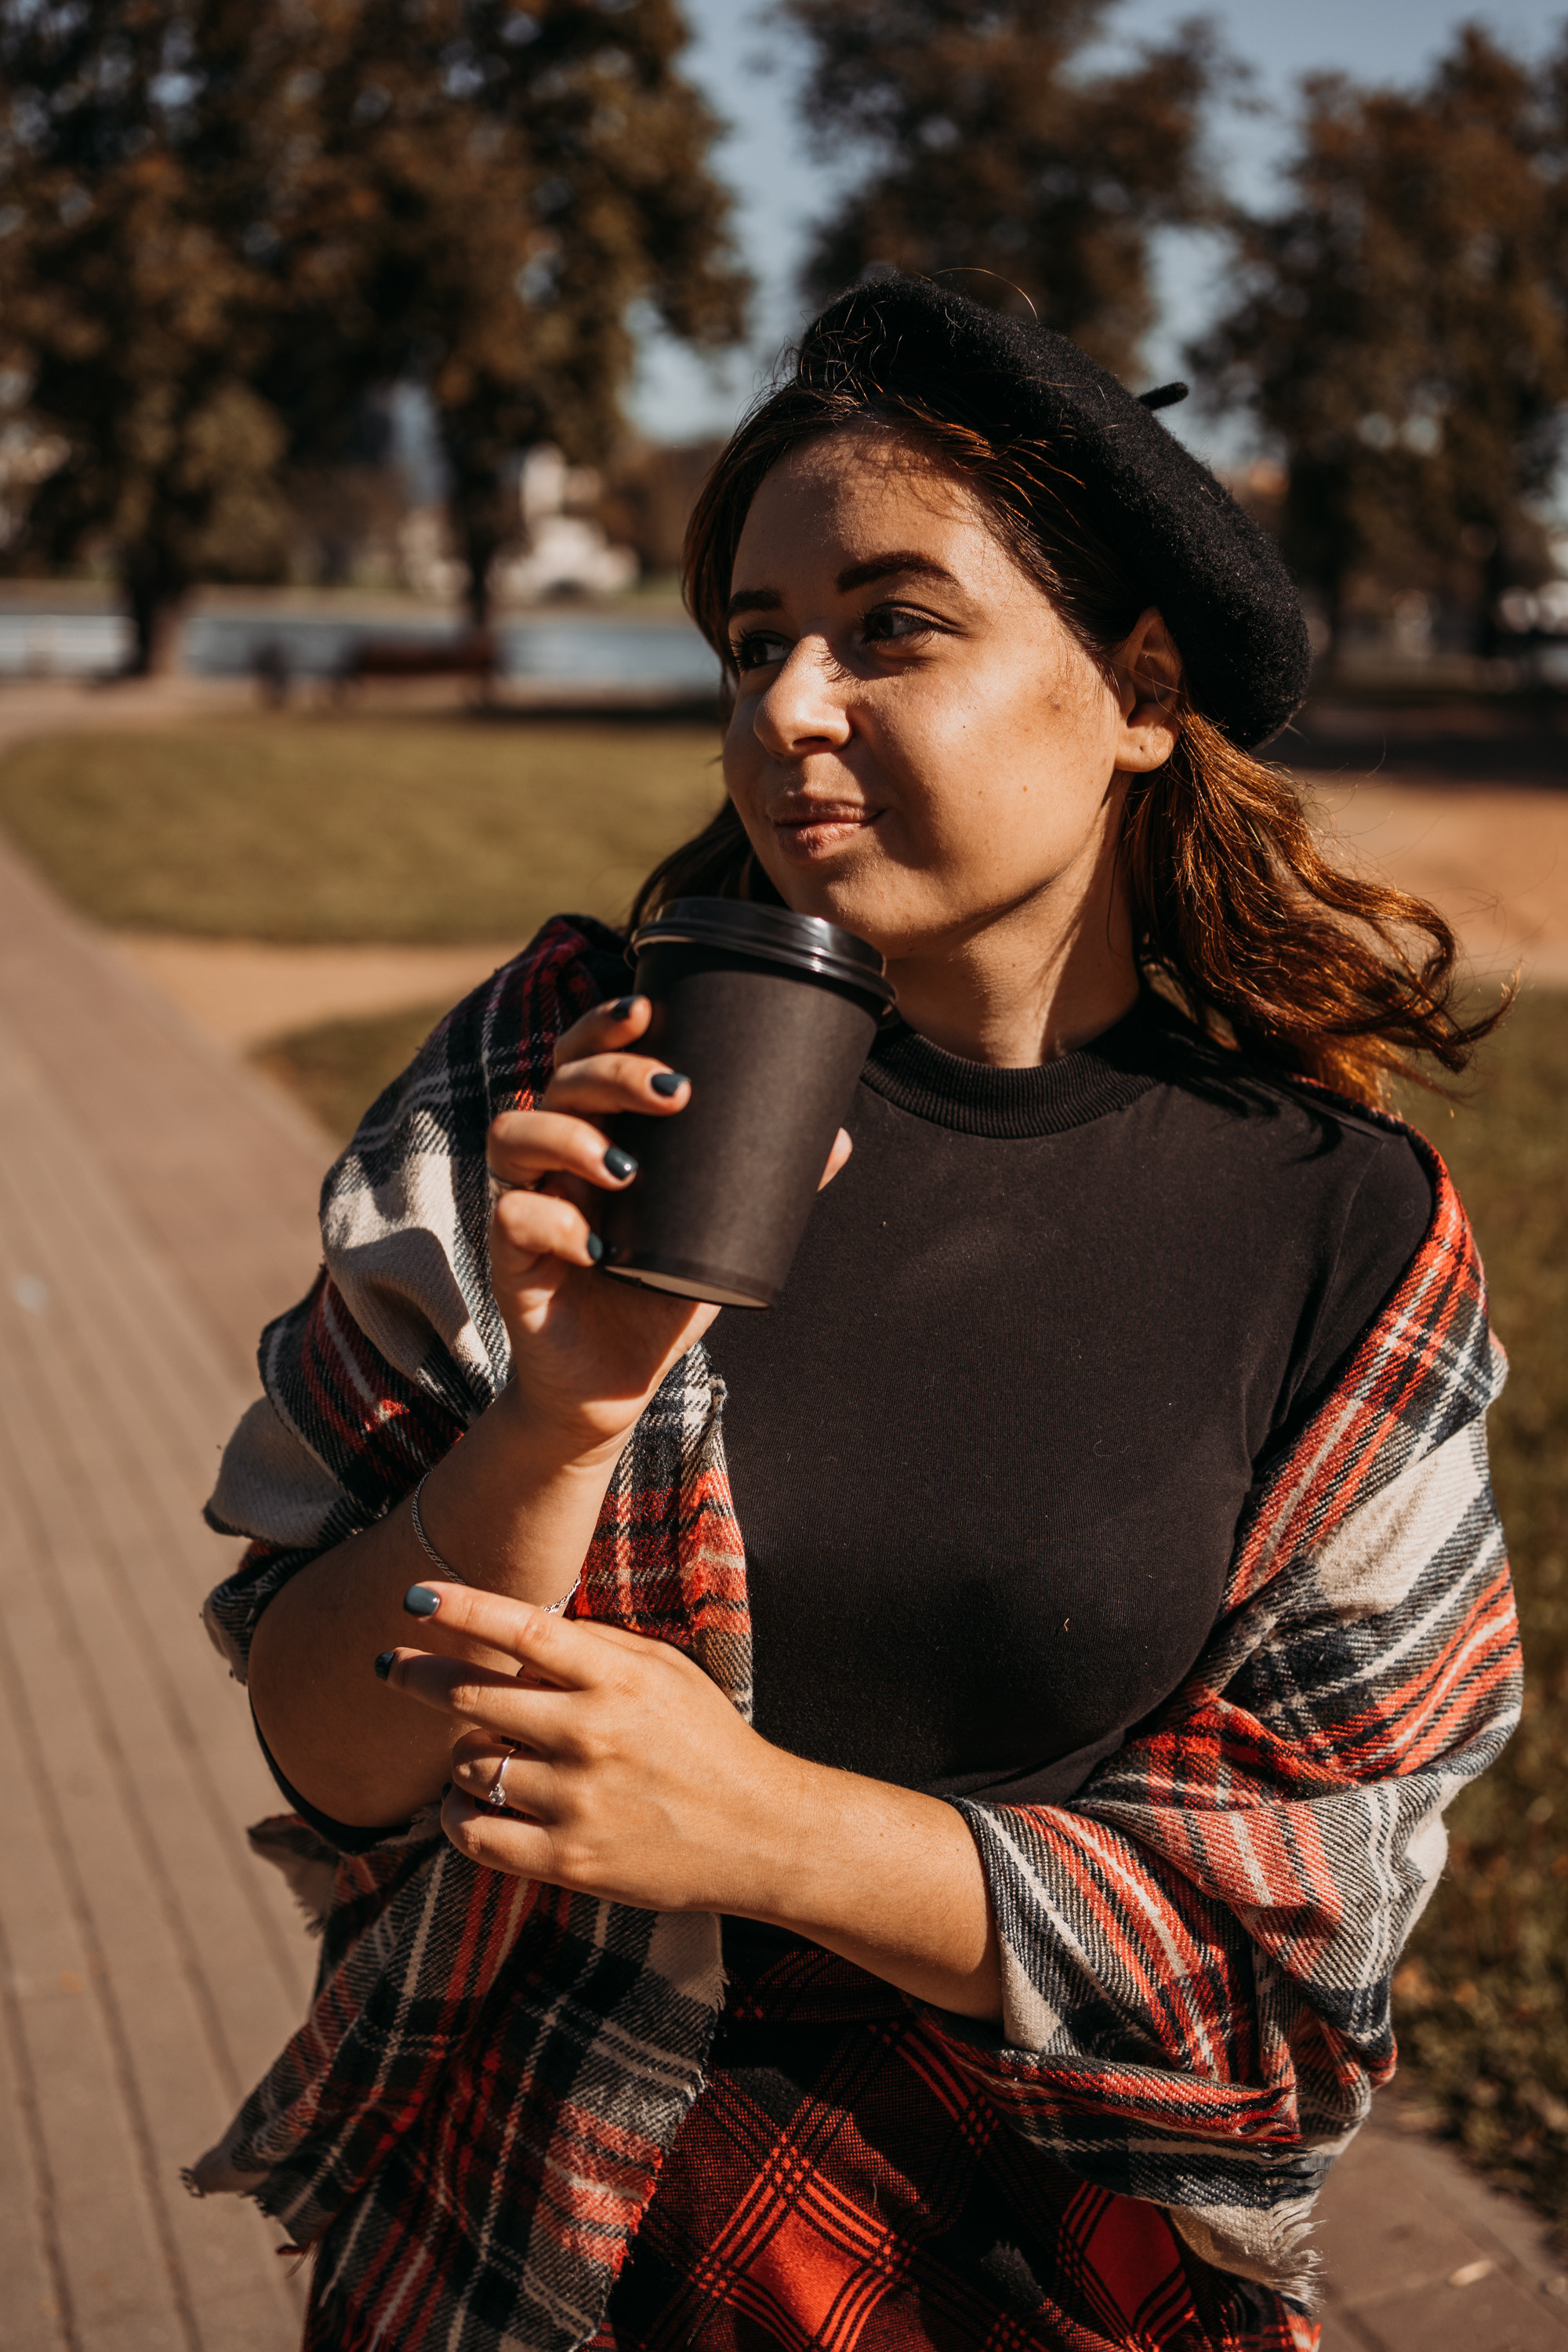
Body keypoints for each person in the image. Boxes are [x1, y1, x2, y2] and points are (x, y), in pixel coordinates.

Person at [188, 277, 1520, 2352]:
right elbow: (332, 1749)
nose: (789, 705)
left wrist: (772, 1833)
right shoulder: (568, 1079)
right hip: (526, 2264)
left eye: (891, 628)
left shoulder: (1340, 1227)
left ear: (1142, 687)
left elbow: (1309, 1946)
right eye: (753, 640)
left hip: (1067, 2286)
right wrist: (560, 1409)